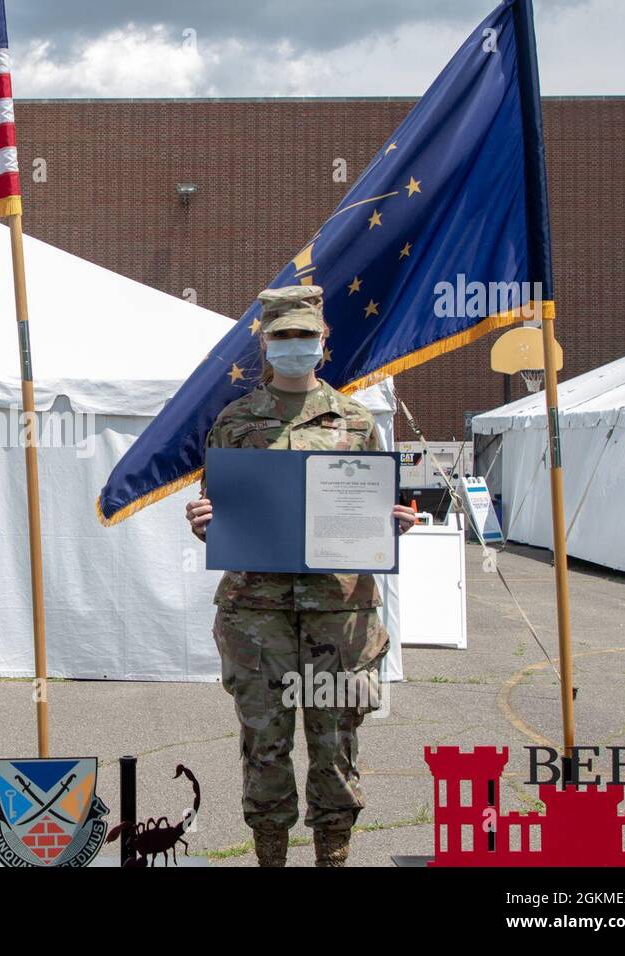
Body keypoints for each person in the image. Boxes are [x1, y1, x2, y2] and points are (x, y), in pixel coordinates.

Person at [186, 285, 417, 867]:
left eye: (304, 337)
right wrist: (203, 520)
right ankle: (269, 857)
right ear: (265, 343)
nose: (294, 346)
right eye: (282, 336)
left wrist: (394, 521)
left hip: (339, 612)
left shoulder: (357, 421)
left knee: (336, 741)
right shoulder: (235, 422)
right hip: (256, 611)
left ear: (323, 342)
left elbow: (373, 505)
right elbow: (218, 510)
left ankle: (332, 858)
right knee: (264, 744)